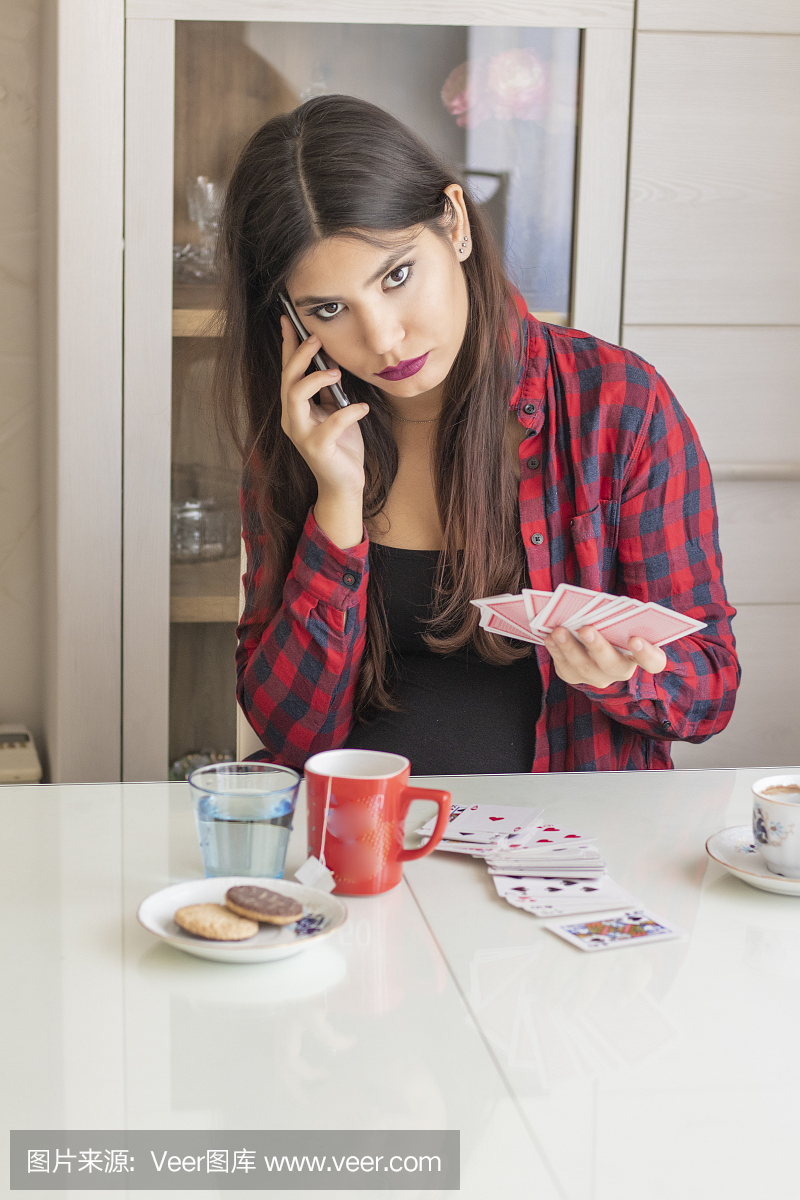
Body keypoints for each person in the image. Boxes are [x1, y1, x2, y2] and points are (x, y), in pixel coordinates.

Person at [215, 94, 739, 774]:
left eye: (397, 276)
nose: (382, 337)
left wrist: (625, 677)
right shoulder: (300, 437)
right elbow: (293, 733)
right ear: (291, 320)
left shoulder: (615, 403)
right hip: (362, 842)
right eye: (331, 308)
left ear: (455, 224)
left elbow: (709, 688)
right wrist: (336, 506)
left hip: (565, 848)